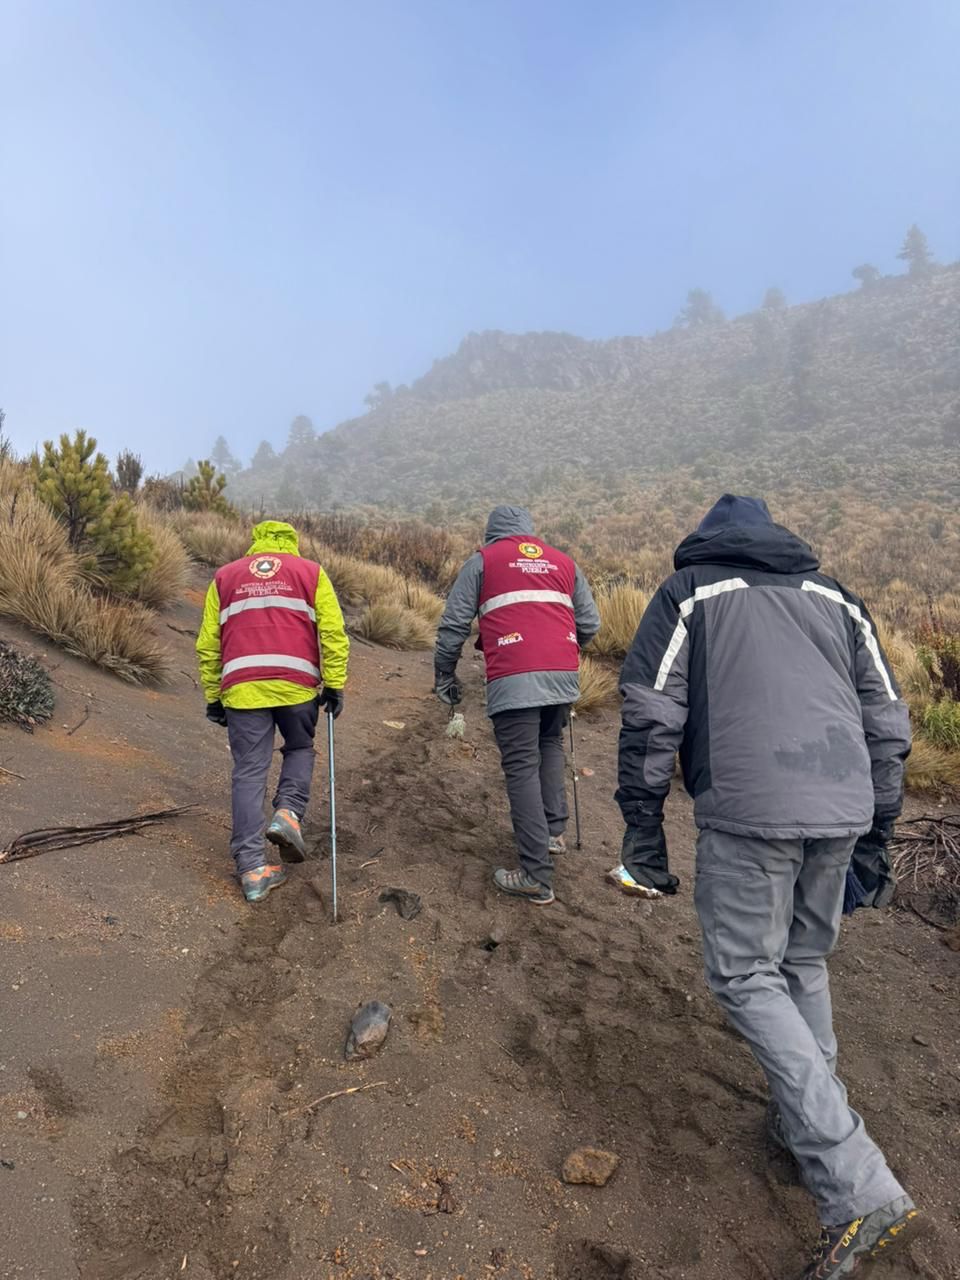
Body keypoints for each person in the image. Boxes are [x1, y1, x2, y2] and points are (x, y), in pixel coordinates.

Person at [613, 494, 924, 1277]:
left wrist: (644, 832)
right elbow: (887, 720)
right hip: (843, 806)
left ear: (706, 540)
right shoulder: (838, 599)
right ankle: (803, 1124)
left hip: (751, 810)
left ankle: (856, 1183)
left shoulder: (689, 595)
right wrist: (879, 831)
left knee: (746, 975)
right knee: (800, 965)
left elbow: (651, 715)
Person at [434, 505, 600, 905]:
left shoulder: (483, 561)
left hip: (514, 674)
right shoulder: (564, 562)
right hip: (562, 674)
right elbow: (590, 624)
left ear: (492, 535)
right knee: (550, 745)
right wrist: (560, 649)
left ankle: (535, 874)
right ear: (529, 532)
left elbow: (454, 624)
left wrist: (444, 675)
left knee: (521, 764)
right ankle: (552, 832)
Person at [196, 520, 348, 902]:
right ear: (291, 543)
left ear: (256, 543)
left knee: (249, 771)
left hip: (243, 687)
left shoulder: (225, 577)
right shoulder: (310, 573)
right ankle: (288, 814)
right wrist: (334, 683)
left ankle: (251, 870)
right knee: (298, 747)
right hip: (295, 683)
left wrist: (214, 696)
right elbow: (331, 632)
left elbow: (208, 644)